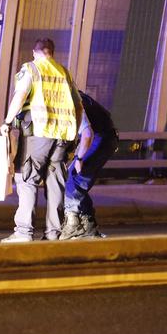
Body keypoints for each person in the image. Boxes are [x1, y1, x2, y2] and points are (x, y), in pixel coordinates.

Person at [0, 38, 81, 242]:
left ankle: (23, 232)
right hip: (62, 137)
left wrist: (7, 121)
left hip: (38, 134)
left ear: (35, 53)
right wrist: (74, 133)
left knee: (26, 179)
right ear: (51, 53)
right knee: (55, 184)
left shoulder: (31, 68)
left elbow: (20, 96)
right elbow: (79, 107)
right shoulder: (64, 72)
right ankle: (53, 233)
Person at [59, 91, 119, 240]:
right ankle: (88, 224)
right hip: (105, 137)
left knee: (75, 179)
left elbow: (87, 134)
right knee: (74, 177)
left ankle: (73, 224)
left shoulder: (70, 99)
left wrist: (79, 158)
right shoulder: (75, 94)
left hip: (100, 139)